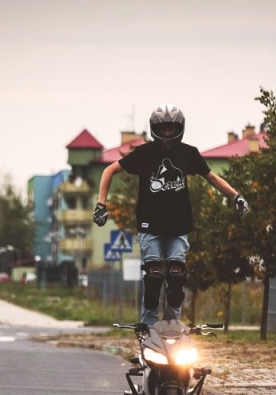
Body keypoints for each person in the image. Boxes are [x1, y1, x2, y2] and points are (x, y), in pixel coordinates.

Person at [94, 104, 249, 327]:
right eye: (163, 129)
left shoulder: (188, 154)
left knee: (176, 277)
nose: (167, 133)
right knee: (153, 277)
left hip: (178, 227)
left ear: (179, 129)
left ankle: (172, 325)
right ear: (155, 129)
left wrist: (236, 197)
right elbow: (109, 170)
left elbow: (212, 178)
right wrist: (101, 204)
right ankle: (148, 329)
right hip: (150, 226)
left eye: (171, 129)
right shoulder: (145, 153)